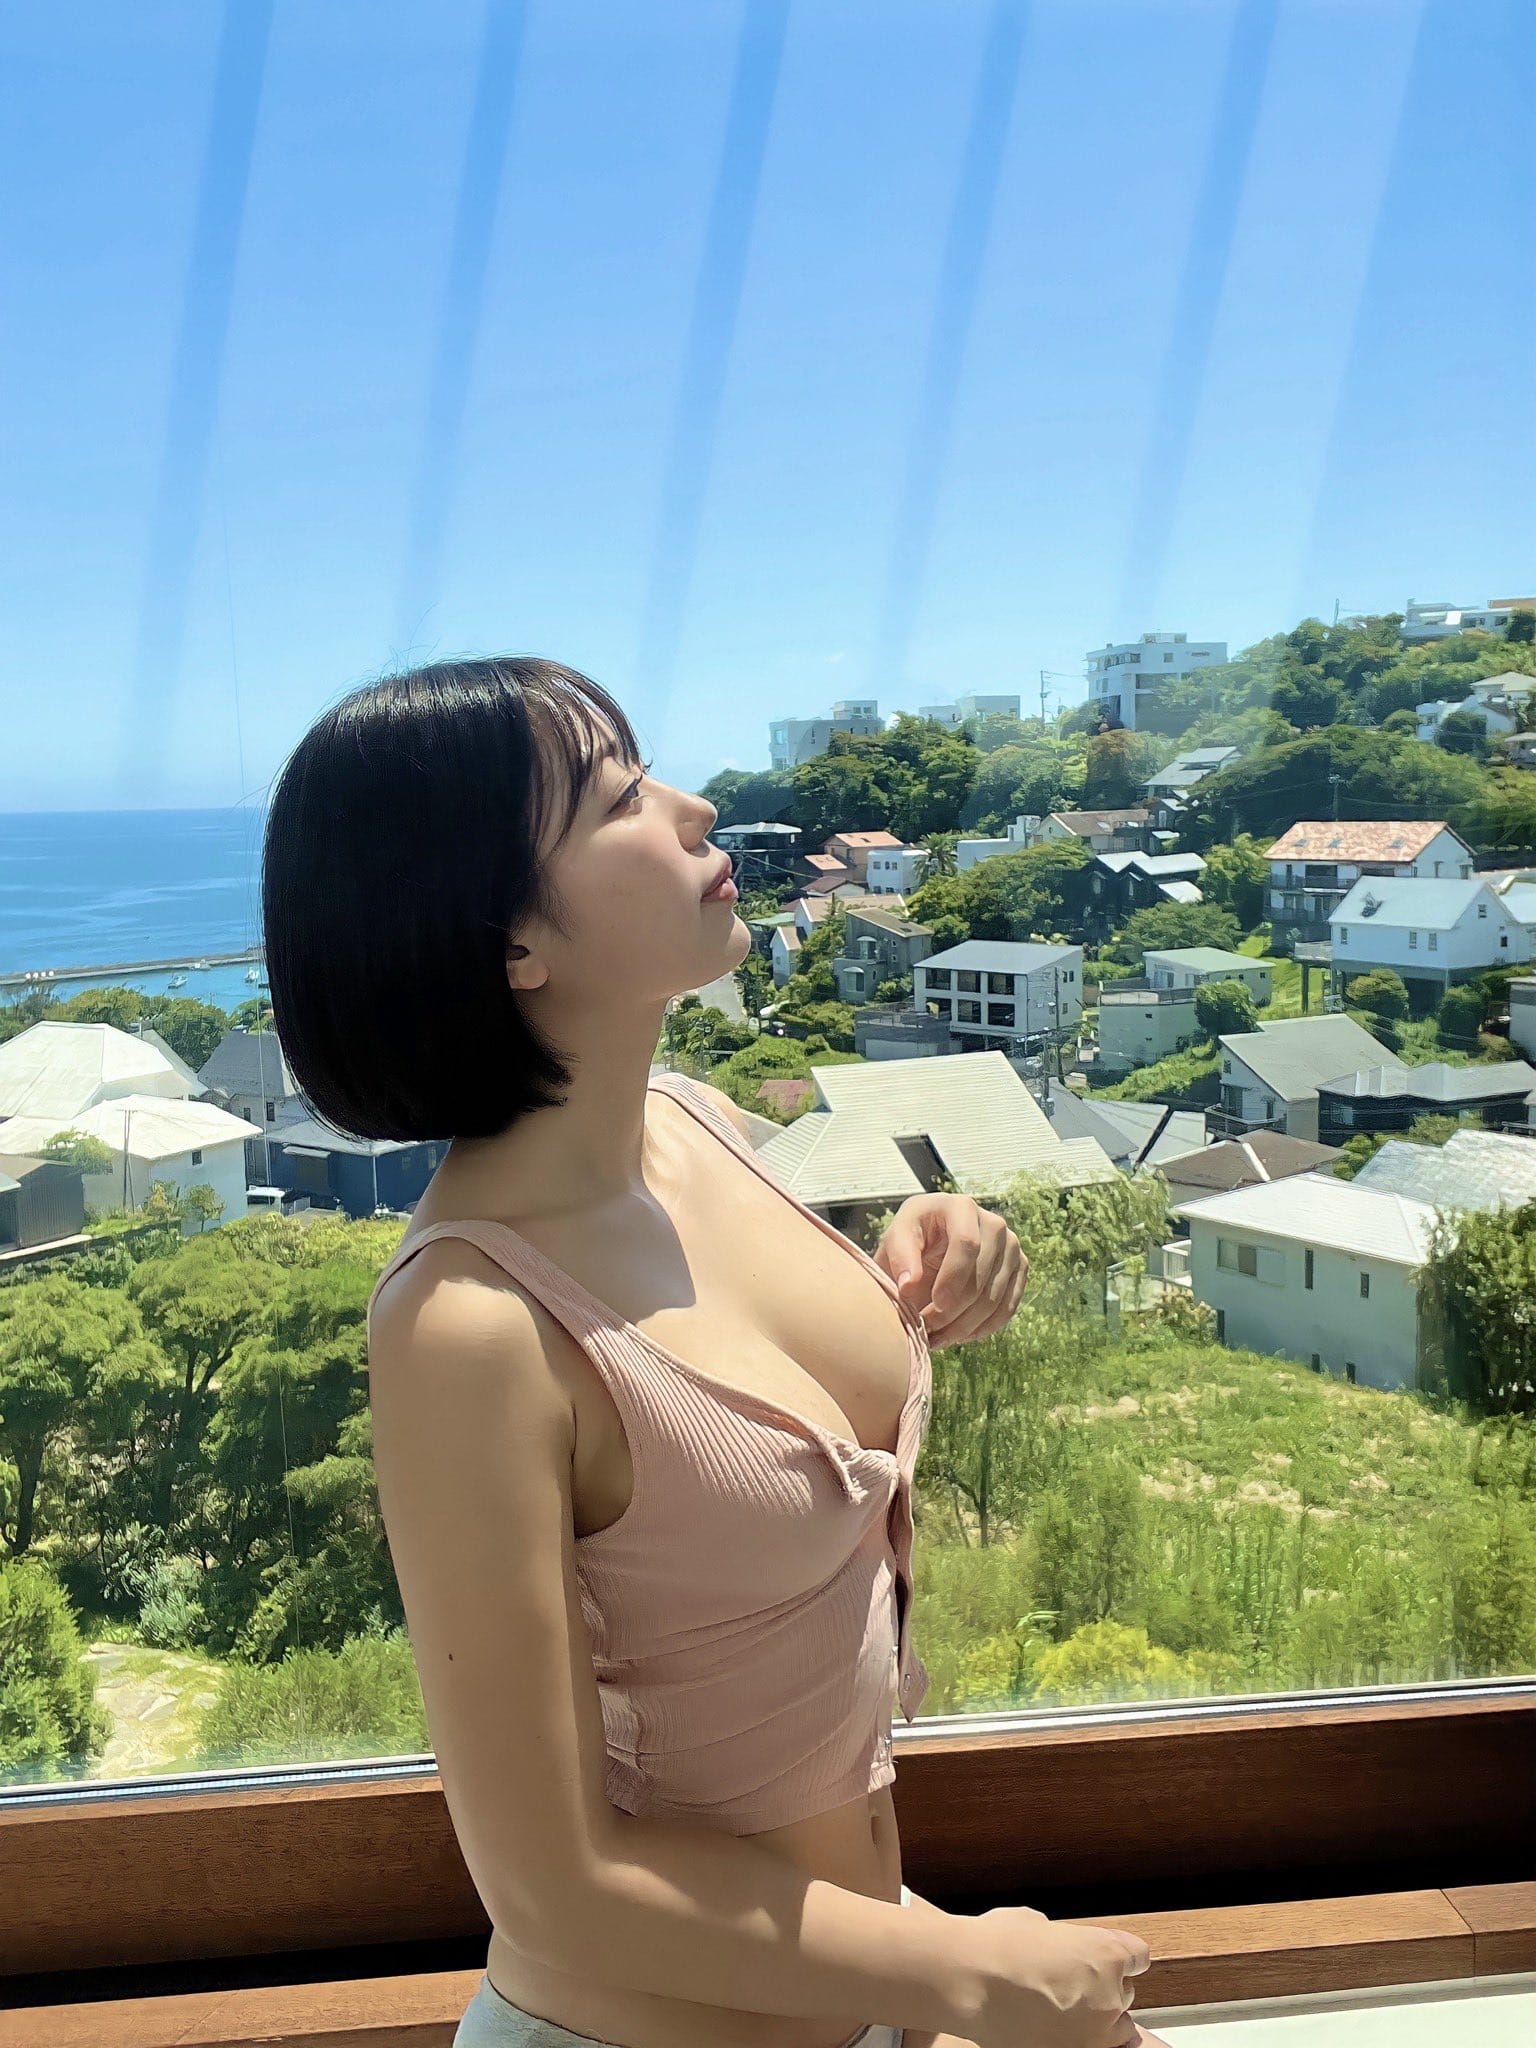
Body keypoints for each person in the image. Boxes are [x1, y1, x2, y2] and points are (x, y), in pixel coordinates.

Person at [262, 655, 1162, 2048]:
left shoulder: (696, 1124)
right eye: (619, 797)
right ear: (511, 940)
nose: (695, 809)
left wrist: (933, 1243)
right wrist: (972, 1976)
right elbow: (554, 1888)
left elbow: (753, 1398)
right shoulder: (469, 1324)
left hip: (872, 1987)